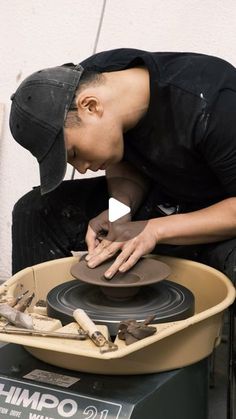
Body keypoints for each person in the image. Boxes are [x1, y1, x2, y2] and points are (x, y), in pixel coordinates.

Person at [9, 48, 236, 285]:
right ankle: (34, 317)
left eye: (74, 153)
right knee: (35, 211)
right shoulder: (96, 81)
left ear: (90, 106)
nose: (82, 168)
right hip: (163, 194)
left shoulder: (215, 101)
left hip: (219, 216)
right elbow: (129, 157)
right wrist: (119, 211)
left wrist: (154, 230)